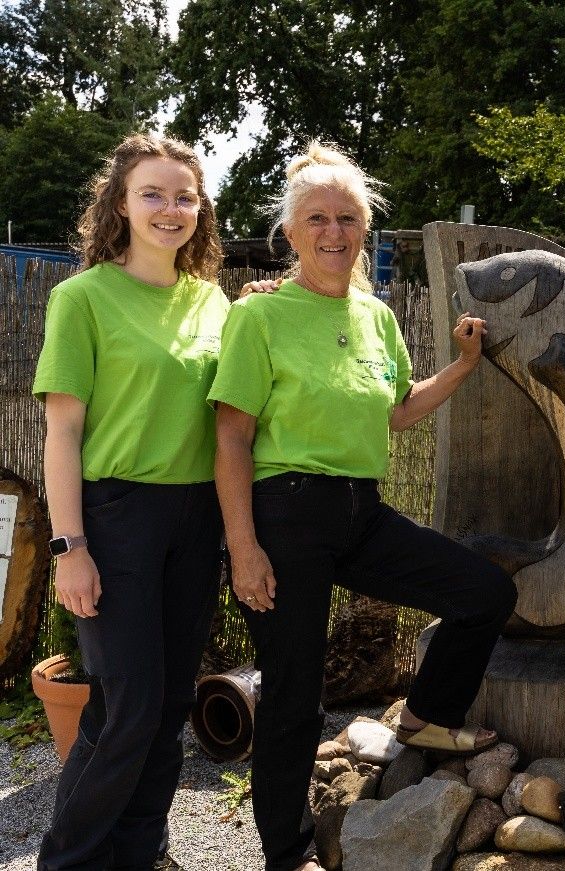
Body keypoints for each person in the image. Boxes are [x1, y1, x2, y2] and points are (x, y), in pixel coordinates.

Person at [208, 142, 516, 871]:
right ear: (291, 234)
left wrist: (465, 367)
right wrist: (243, 546)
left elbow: (400, 410)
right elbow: (230, 437)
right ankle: (286, 851)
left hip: (358, 511)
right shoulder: (260, 319)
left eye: (348, 217)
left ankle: (426, 716)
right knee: (293, 691)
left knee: (483, 591)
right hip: (282, 515)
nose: (334, 231)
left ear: (365, 228)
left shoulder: (377, 317)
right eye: (317, 217)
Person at [32, 134, 228, 871]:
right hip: (115, 519)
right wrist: (68, 546)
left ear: (200, 209)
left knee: (170, 701)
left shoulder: (214, 302)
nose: (169, 208)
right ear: (120, 203)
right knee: (126, 705)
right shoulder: (81, 298)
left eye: (184, 195)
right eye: (152, 193)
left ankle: (142, 852)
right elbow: (63, 430)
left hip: (197, 514)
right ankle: (71, 860)